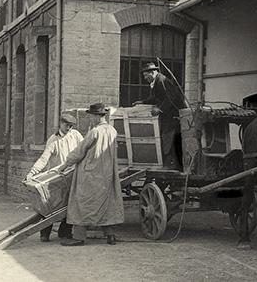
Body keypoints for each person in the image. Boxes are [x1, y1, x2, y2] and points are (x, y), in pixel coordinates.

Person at [54, 103, 123, 246]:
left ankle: (79, 237)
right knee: (106, 202)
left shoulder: (94, 132)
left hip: (91, 173)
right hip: (107, 173)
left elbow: (80, 151)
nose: (90, 118)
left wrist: (65, 165)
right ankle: (109, 235)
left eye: (91, 116)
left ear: (98, 116)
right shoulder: (112, 131)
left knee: (81, 201)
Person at [25, 113, 84, 242]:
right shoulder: (53, 140)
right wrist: (32, 173)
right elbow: (43, 159)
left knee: (70, 205)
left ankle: (64, 232)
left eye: (71, 126)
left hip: (72, 176)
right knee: (49, 206)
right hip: (56, 179)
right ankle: (44, 233)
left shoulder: (76, 136)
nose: (69, 128)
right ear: (60, 124)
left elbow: (83, 151)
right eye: (66, 125)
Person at [134, 62, 187, 169]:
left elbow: (171, 97)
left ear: (153, 72)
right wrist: (143, 102)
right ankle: (170, 163)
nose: (145, 78)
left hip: (174, 115)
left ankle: (172, 164)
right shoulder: (157, 81)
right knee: (167, 136)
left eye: (146, 75)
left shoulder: (162, 81)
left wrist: (160, 109)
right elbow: (156, 97)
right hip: (169, 114)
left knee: (169, 137)